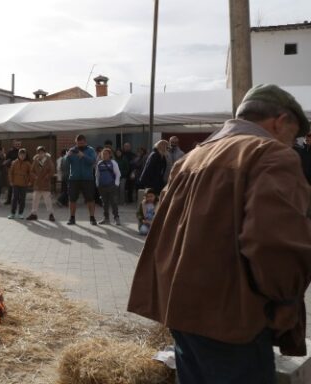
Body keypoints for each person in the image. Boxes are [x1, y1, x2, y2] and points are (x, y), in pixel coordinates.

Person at [127, 84, 311, 384]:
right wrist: (286, 301)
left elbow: (163, 231)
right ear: (280, 121)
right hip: (233, 319)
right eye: (295, 133)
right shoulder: (272, 154)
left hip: (181, 309)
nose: (294, 142)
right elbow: (274, 244)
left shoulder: (191, 158)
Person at [65, 135, 98, 225]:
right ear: (76, 142)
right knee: (72, 199)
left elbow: (93, 161)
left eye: (82, 143)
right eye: (78, 143)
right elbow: (65, 163)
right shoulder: (72, 150)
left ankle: (92, 217)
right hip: (74, 179)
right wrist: (67, 156)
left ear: (85, 142)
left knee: (90, 199)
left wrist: (83, 155)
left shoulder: (90, 150)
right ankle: (72, 218)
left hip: (87, 179)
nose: (80, 145)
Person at [26, 146, 55, 221]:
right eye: (39, 152)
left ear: (45, 153)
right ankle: (33, 214)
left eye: (42, 152)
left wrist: (47, 176)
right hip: (37, 184)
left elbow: (52, 170)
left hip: (45, 184)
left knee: (48, 201)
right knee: (35, 200)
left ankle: (51, 214)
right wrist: (35, 176)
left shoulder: (48, 160)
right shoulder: (36, 160)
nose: (40, 154)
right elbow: (31, 171)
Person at [96, 148, 121, 225]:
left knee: (114, 202)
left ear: (110, 155)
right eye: (103, 154)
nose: (104, 155)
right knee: (104, 203)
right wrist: (97, 184)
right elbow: (97, 175)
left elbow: (118, 174)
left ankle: (116, 218)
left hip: (112, 186)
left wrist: (116, 184)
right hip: (102, 187)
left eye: (106, 154)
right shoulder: (99, 163)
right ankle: (106, 218)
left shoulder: (113, 162)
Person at [7, 148, 31, 219]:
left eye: (24, 155)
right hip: (15, 183)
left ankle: (21, 213)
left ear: (25, 155)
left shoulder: (28, 164)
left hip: (24, 184)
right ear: (18, 155)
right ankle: (12, 213)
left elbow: (31, 173)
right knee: (14, 198)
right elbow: (10, 173)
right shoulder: (14, 162)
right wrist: (11, 181)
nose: (22, 156)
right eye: (21, 155)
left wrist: (30, 181)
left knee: (22, 199)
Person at [3, 140, 22, 205]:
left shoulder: (23, 151)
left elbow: (27, 160)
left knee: (19, 186)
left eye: (19, 144)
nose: (17, 145)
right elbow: (6, 161)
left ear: (21, 144)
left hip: (21, 171)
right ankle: (8, 200)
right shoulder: (10, 151)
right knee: (10, 186)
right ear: (13, 144)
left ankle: (19, 200)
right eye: (16, 144)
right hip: (11, 170)